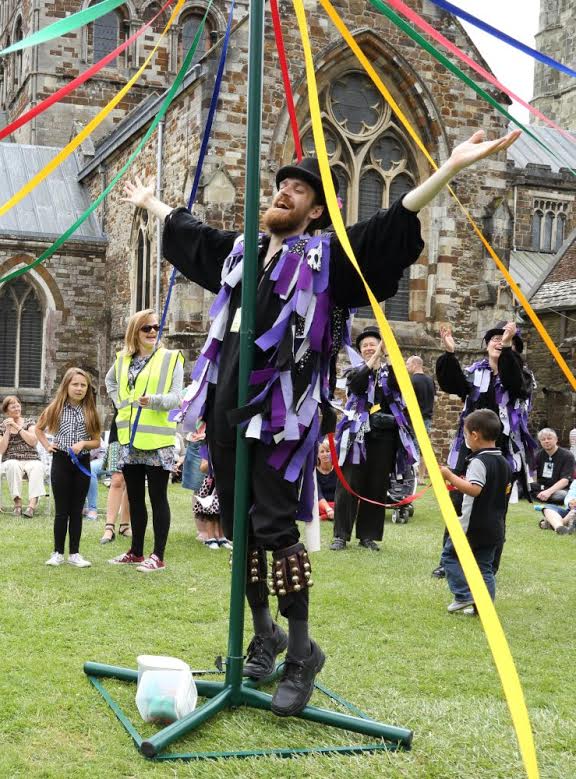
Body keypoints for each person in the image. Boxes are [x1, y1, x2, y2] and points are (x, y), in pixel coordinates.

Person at [123, 128, 521, 716]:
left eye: (299, 189)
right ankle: (265, 633)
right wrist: (152, 204)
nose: (285, 192)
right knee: (241, 528)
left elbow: (391, 226)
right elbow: (196, 238)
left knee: (278, 531)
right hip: (226, 417)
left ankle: (302, 650)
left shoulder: (328, 258)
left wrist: (449, 168)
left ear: (316, 210)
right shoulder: (244, 253)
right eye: (281, 185)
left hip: (282, 423)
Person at [432, 319, 536, 578]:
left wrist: (509, 349)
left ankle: (488, 564)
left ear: (514, 347)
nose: (499, 341)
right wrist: (449, 353)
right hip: (469, 449)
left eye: (506, 338)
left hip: (503, 454)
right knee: (458, 503)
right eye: (495, 338)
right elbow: (452, 384)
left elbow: (514, 385)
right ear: (487, 344)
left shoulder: (523, 376)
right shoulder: (475, 373)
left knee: (494, 508)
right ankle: (451, 561)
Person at [105, 309, 184, 572]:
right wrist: (121, 403)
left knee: (158, 497)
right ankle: (136, 551)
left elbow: (177, 398)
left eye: (156, 327)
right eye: (146, 328)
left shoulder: (171, 359)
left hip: (158, 440)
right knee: (136, 498)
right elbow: (110, 382)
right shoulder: (123, 359)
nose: (152, 332)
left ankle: (157, 556)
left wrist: (154, 401)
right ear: (134, 331)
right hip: (129, 438)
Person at [331, 327, 417, 551]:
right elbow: (357, 386)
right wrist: (373, 361)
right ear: (360, 351)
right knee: (348, 483)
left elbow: (403, 387)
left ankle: (368, 536)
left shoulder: (392, 371)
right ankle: (341, 535)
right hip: (357, 436)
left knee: (376, 485)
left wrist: (387, 358)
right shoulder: (354, 371)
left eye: (373, 344)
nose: (369, 348)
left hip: (384, 438)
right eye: (365, 346)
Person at [439, 409, 512, 614]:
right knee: (484, 568)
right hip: (495, 526)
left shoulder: (479, 461)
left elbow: (474, 489)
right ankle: (483, 607)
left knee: (450, 556)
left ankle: (463, 595)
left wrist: (449, 475)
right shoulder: (505, 462)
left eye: (464, 433)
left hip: (474, 526)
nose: (465, 438)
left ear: (475, 435)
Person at [36, 368, 102, 568]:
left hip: (81, 463)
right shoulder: (55, 408)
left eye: (83, 385)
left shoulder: (90, 411)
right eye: (75, 384)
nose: (79, 388)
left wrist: (83, 444)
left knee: (76, 510)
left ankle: (74, 553)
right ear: (66, 386)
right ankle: (57, 552)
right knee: (61, 511)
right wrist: (48, 446)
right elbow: (38, 429)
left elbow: (97, 441)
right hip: (61, 461)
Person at [0, 395, 46, 517]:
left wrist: (17, 427)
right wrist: (8, 430)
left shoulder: (29, 422)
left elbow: (33, 441)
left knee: (37, 467)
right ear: (6, 410)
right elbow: (2, 449)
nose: (17, 408)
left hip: (31, 458)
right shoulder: (2, 426)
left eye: (18, 405)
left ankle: (31, 506)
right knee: (12, 465)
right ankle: (17, 503)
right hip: (11, 458)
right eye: (13, 406)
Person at [99, 412, 132, 544]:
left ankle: (124, 525)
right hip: (119, 432)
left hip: (140, 433)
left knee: (132, 481)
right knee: (117, 480)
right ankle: (109, 527)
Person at [406, 355, 435, 483]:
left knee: (413, 446)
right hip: (427, 418)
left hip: (414, 419)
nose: (406, 367)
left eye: (408, 364)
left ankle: (414, 474)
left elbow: (407, 402)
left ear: (415, 365)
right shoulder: (430, 380)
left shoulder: (412, 381)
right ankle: (421, 478)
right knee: (424, 448)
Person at [193, 459, 233, 549]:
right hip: (211, 486)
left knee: (222, 512)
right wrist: (212, 461)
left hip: (223, 483)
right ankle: (211, 538)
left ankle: (222, 537)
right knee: (209, 513)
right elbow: (202, 468)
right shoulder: (207, 450)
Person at [530, 428, 575, 506]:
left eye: (549, 438)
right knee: (524, 486)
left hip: (560, 489)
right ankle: (541, 495)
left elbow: (565, 481)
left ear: (556, 439)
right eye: (543, 439)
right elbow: (531, 473)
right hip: (542, 486)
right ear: (540, 442)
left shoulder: (567, 456)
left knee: (561, 496)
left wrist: (548, 492)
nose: (546, 441)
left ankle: (539, 496)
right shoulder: (538, 455)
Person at [83, 437, 106, 521]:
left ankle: (92, 510)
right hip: (88, 460)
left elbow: (91, 453)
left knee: (90, 468)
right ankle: (82, 507)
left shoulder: (90, 429)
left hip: (104, 459)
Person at [316, 439, 336, 521]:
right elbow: (318, 494)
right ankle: (333, 514)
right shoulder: (313, 472)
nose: (325, 454)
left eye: (328, 451)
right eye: (322, 451)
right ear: (317, 455)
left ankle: (324, 517)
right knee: (311, 505)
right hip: (321, 505)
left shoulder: (339, 469)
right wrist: (328, 509)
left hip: (337, 504)